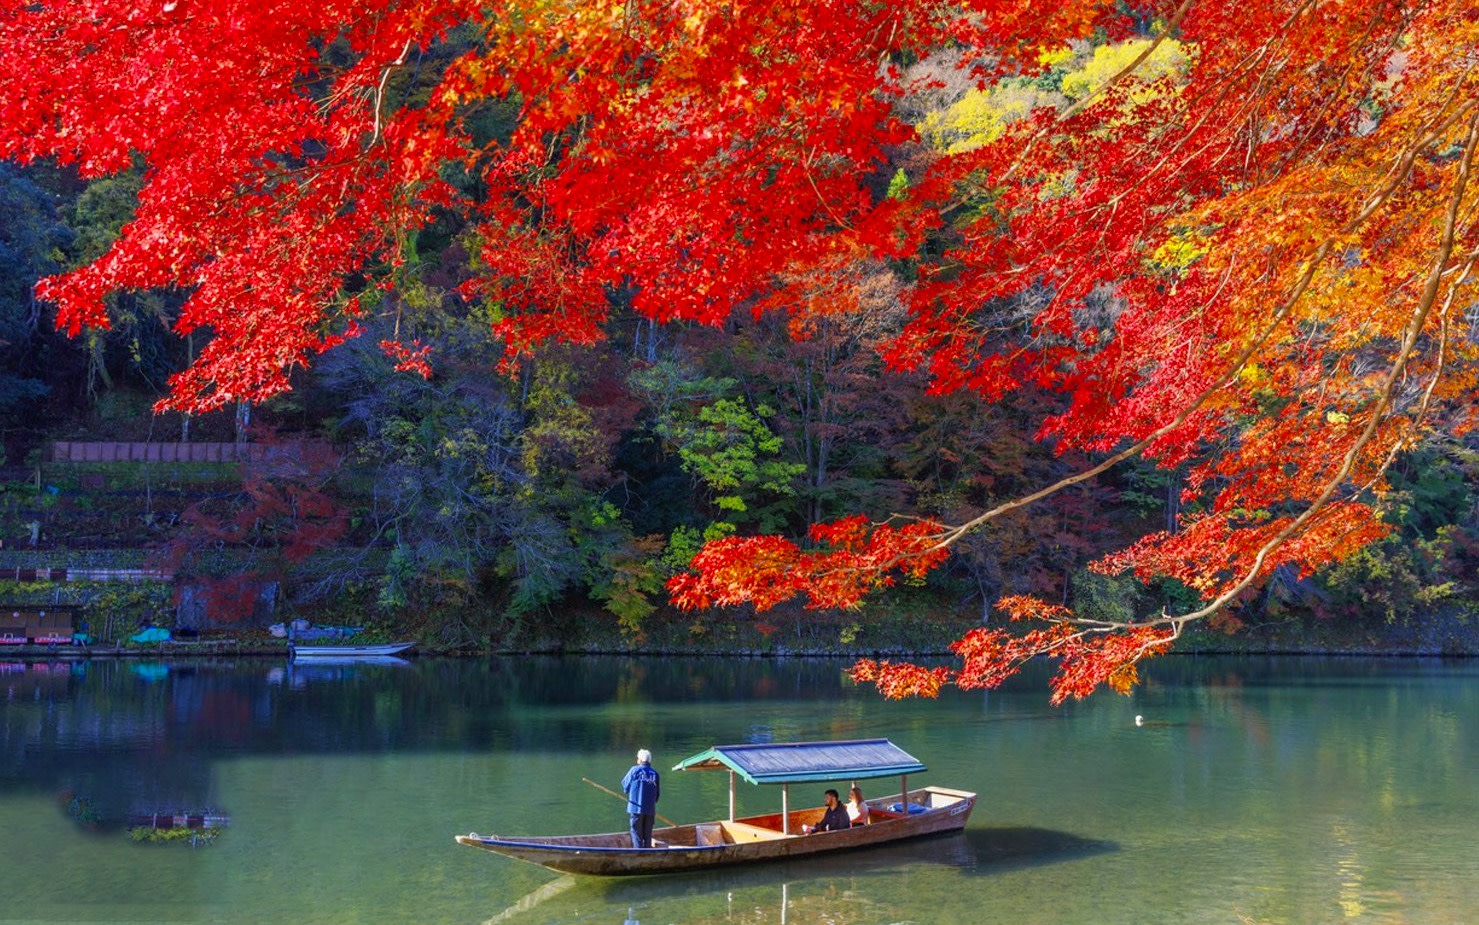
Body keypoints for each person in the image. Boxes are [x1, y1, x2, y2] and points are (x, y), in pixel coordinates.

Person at [621, 748, 660, 848]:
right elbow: (657, 796)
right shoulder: (655, 774)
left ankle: (639, 855)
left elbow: (625, 786)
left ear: (639, 760)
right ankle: (648, 855)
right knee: (647, 836)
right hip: (650, 810)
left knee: (637, 834)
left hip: (635, 808)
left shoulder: (634, 770)